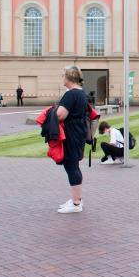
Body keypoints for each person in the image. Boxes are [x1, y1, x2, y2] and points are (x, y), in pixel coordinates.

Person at [56, 65, 89, 214]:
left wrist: (53, 111)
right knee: (73, 165)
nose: (62, 79)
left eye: (63, 76)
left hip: (71, 133)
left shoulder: (70, 94)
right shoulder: (82, 94)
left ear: (69, 77)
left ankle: (76, 203)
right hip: (79, 132)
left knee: (71, 165)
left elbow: (60, 115)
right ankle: (77, 199)